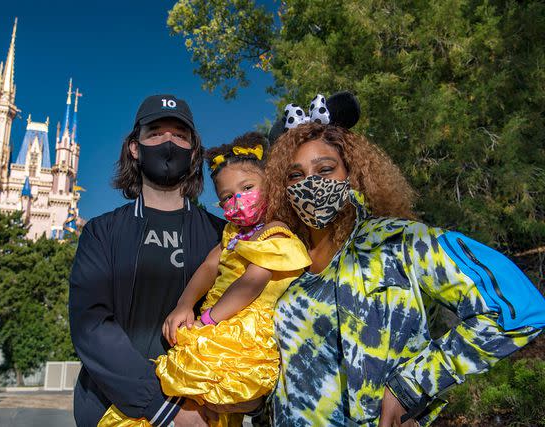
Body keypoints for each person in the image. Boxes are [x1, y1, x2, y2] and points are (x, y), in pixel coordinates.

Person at [262, 93, 545, 426]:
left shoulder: (398, 242)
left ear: (352, 175)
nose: (311, 184)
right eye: (295, 176)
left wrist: (411, 386)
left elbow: (518, 306)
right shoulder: (279, 263)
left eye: (325, 169)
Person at [98, 132, 311, 427]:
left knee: (202, 390)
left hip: (242, 331)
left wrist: (209, 320)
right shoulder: (232, 234)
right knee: (184, 391)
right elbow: (210, 266)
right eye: (226, 197)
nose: (237, 200)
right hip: (217, 327)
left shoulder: (276, 233)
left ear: (270, 184)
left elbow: (250, 285)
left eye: (247, 187)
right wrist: (184, 304)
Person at [69, 94, 226, 427]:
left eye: (180, 135)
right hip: (110, 413)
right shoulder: (102, 232)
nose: (168, 142)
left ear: (193, 151)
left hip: (203, 413)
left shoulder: (223, 237)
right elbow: (91, 326)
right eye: (155, 132)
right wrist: (163, 406)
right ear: (135, 148)